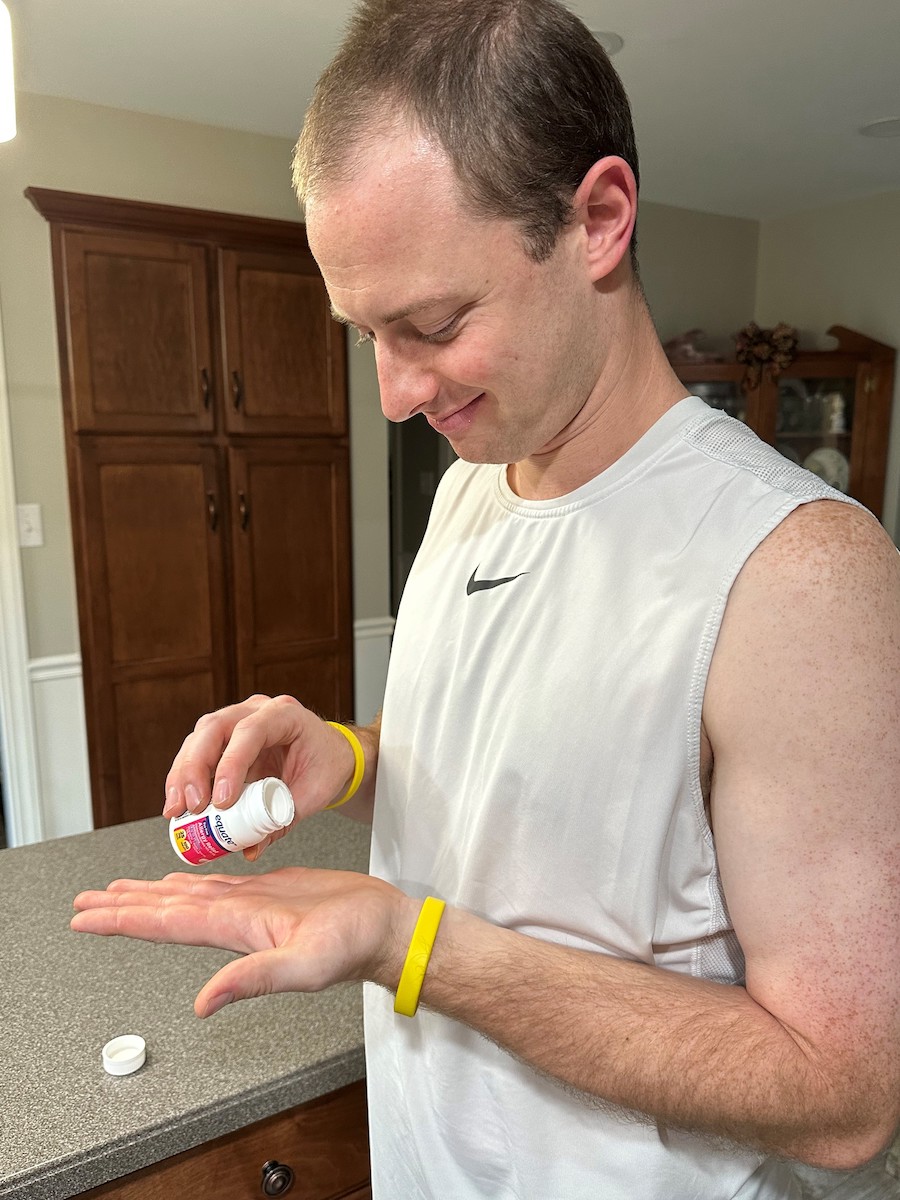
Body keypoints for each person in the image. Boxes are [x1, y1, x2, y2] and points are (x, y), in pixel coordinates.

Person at [72, 1, 900, 1196]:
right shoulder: (476, 489)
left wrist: (406, 946)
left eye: (434, 324)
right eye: (365, 331)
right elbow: (534, 806)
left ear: (599, 221)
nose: (396, 395)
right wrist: (353, 762)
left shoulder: (799, 574)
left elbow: (843, 1096)